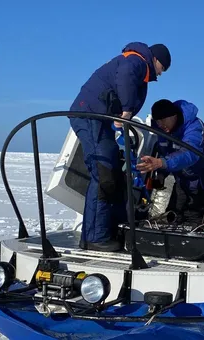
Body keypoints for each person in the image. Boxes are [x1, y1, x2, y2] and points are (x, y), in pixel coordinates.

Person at [69, 42, 171, 252]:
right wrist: (125, 111)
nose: (161, 74)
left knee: (112, 173)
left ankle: (104, 229)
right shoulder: (136, 61)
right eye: (163, 68)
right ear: (157, 60)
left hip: (100, 119)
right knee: (104, 174)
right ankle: (94, 237)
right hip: (90, 116)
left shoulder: (139, 68)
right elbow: (125, 76)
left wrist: (121, 115)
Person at [136, 99, 204, 226]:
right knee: (172, 215)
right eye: (157, 121)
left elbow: (191, 153)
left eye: (163, 120)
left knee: (192, 217)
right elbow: (164, 152)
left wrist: (161, 163)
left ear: (174, 116)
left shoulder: (193, 128)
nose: (160, 124)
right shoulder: (162, 129)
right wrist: (161, 175)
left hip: (202, 181)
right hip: (181, 180)